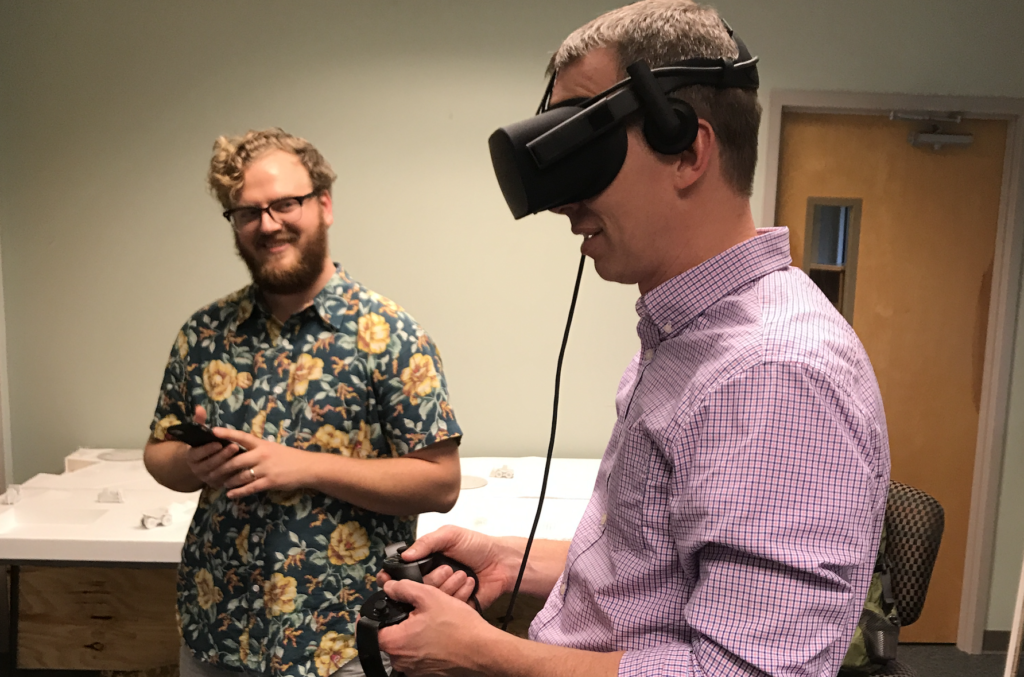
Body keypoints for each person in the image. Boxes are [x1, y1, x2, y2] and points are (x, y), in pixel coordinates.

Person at [375, 2, 890, 676]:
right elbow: (654, 562)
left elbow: (746, 672)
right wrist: (512, 558)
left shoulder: (770, 370)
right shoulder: (690, 339)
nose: (562, 201)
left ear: (688, 150)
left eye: (586, 151)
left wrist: (484, 653)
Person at [143, 128, 464, 677]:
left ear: (324, 205)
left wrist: (305, 468)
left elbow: (439, 482)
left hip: (342, 643)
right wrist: (190, 464)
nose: (268, 224)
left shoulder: (389, 334)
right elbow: (157, 452)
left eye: (285, 204)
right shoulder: (203, 335)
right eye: (247, 212)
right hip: (217, 632)